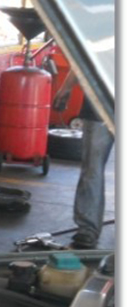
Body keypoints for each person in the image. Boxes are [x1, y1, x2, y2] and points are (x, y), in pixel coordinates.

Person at [53, 71, 114, 249]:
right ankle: (87, 230)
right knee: (92, 169)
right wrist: (66, 87)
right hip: (98, 105)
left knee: (92, 170)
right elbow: (83, 51)